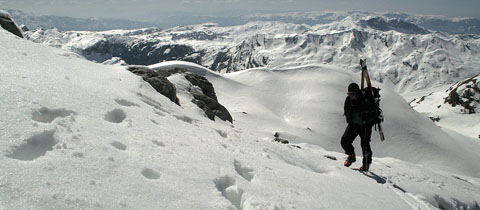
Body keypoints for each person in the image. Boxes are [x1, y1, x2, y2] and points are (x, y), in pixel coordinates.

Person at [341, 83, 374, 171]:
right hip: (353, 125)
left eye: (352, 94)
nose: (351, 96)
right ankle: (351, 155)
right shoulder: (348, 100)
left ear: (357, 92)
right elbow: (346, 109)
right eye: (349, 94)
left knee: (365, 145)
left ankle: (366, 164)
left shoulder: (366, 101)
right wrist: (349, 115)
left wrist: (366, 115)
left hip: (365, 126)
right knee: (344, 141)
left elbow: (372, 113)